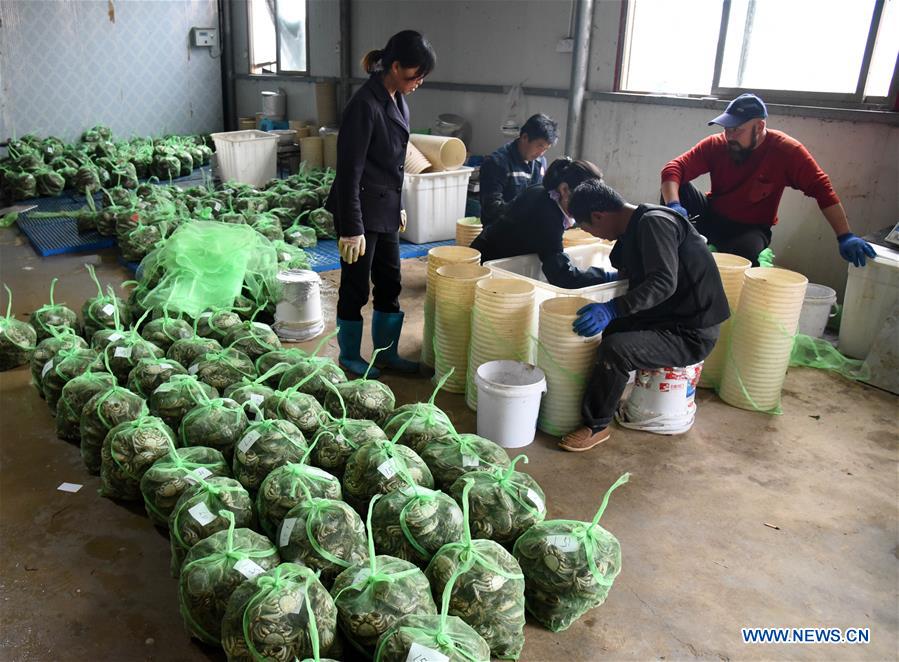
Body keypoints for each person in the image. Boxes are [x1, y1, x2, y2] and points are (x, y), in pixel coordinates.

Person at [559, 180, 730, 452]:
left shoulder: (655, 223)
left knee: (616, 349)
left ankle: (596, 426)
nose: (595, 236)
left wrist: (612, 308)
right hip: (670, 315)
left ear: (598, 216)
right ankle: (609, 396)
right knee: (612, 330)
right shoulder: (636, 224)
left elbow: (663, 283)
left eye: (589, 228)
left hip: (691, 331)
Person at [325, 30, 436, 377]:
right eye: (413, 75)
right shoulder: (364, 105)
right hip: (358, 211)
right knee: (356, 286)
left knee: (390, 282)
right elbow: (349, 172)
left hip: (385, 209)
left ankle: (387, 354)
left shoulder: (398, 98)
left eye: (421, 78)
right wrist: (352, 228)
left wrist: (397, 203)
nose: (417, 83)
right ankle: (349, 356)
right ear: (396, 65)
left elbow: (393, 163)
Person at [660, 93, 875, 267]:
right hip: (713, 215)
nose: (730, 136)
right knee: (675, 190)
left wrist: (844, 236)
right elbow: (673, 168)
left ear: (760, 126)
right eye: (727, 129)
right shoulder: (717, 145)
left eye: (737, 130)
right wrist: (674, 206)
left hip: (750, 228)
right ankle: (668, 268)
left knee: (744, 257)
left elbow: (821, 189)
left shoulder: (786, 151)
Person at [470, 158, 616, 288]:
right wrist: (607, 277)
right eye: (584, 201)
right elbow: (562, 277)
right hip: (487, 267)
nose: (586, 209)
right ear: (564, 189)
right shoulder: (546, 214)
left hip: (500, 257)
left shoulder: (545, 193)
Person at [479, 113, 559, 226]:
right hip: (499, 232)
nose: (541, 153)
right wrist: (523, 209)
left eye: (546, 149)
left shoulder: (540, 162)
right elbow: (491, 208)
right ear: (525, 137)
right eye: (539, 146)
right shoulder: (497, 163)